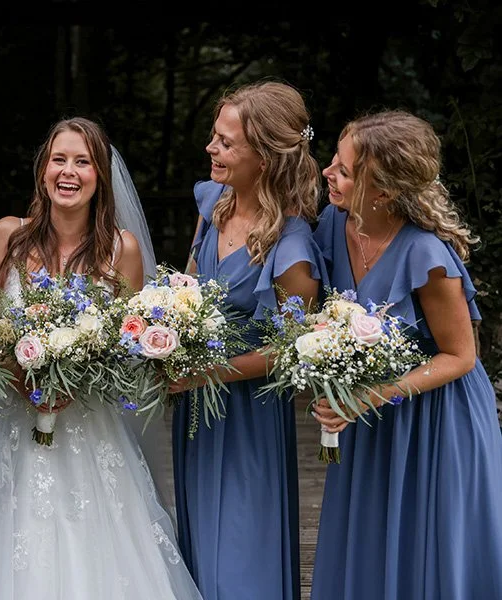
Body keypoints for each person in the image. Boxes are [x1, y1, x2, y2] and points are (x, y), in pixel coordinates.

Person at [0, 117, 202, 600]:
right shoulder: (8, 236)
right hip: (13, 426)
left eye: (82, 162)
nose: (68, 172)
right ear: (43, 170)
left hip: (89, 424)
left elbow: (128, 345)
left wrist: (78, 380)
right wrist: (22, 379)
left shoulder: (121, 250)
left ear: (99, 176)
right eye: (58, 159)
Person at [310, 110, 502, 599]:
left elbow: (461, 356)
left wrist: (369, 396)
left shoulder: (427, 256)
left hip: (437, 419)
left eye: (344, 171)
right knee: (372, 545)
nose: (327, 173)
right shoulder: (334, 222)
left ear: (383, 192)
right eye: (334, 160)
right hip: (370, 418)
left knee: (429, 551)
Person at [169, 80, 326, 600]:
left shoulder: (292, 245)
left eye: (225, 142)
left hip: (248, 415)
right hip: (196, 407)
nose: (211, 148)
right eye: (214, 136)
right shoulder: (213, 202)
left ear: (263, 157)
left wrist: (207, 373)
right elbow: (186, 287)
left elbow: (294, 349)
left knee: (239, 550)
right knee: (199, 543)